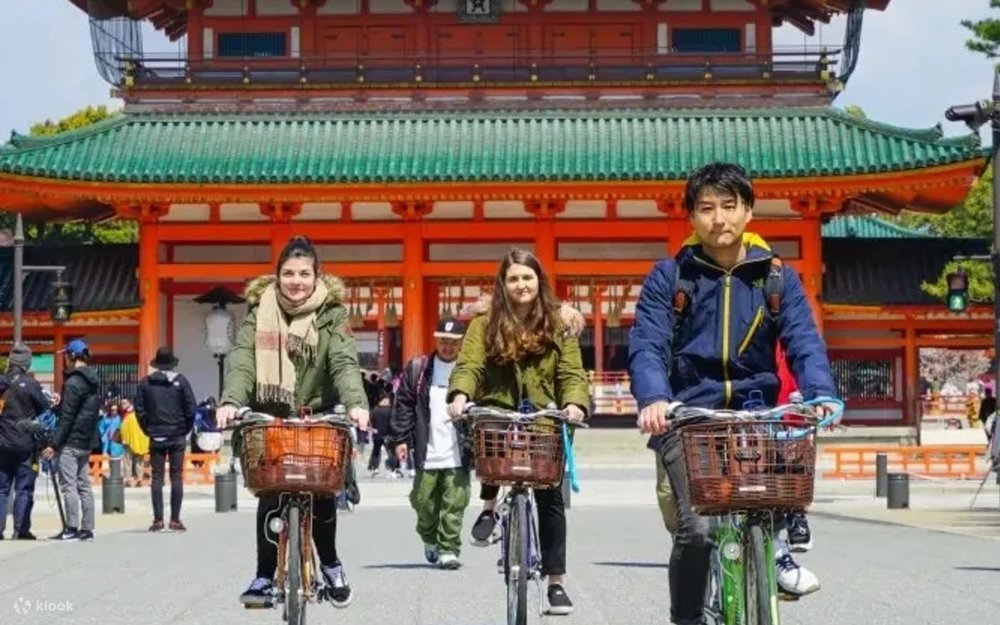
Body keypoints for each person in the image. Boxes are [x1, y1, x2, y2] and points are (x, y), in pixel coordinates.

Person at [628, 162, 840, 625]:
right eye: (706, 208)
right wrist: (653, 399)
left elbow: (803, 339)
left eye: (729, 206)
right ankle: (686, 618)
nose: (718, 218)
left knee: (771, 504)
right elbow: (647, 343)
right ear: (691, 216)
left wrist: (821, 392)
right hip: (687, 415)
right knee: (697, 529)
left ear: (749, 210)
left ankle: (776, 557)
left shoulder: (776, 277)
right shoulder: (670, 277)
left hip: (755, 412)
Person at [214, 235, 371, 609]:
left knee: (322, 491)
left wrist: (355, 403)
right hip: (273, 414)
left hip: (319, 413)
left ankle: (331, 564)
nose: (296, 281)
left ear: (317, 277)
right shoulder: (259, 312)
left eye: (304, 273)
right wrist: (232, 401)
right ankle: (265, 574)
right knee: (271, 493)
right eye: (288, 273)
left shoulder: (332, 314)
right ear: (277, 276)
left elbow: (343, 362)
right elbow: (243, 361)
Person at [447, 248, 590, 616]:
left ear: (538, 281)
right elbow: (471, 364)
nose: (521, 285)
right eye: (513, 278)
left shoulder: (559, 324)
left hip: (544, 414)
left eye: (527, 277)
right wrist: (460, 393)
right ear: (503, 283)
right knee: (490, 432)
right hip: (499, 408)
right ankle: (489, 507)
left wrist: (574, 403)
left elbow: (572, 373)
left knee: (550, 497)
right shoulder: (484, 323)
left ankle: (556, 582)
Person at [390, 317, 472, 570]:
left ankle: (449, 548)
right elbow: (403, 404)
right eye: (443, 341)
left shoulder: (468, 371)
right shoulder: (419, 369)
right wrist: (401, 438)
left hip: (458, 449)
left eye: (453, 343)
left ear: (461, 344)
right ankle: (430, 537)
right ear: (436, 340)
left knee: (455, 502)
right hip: (428, 447)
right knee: (423, 501)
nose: (447, 347)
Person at [43, 339, 102, 542]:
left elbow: (67, 417)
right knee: (84, 485)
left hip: (71, 441)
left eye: (67, 355)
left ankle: (72, 528)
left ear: (73, 357)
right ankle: (87, 529)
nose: (66, 360)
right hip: (86, 441)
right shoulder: (94, 381)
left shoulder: (73, 382)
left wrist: (54, 444)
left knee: (69, 485)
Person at [135, 346, 197, 532]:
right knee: (176, 476)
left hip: (156, 434)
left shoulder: (146, 383)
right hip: (177, 434)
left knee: (157, 477)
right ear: (172, 364)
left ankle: (158, 519)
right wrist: (184, 429)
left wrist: (148, 429)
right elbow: (191, 408)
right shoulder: (181, 381)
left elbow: (139, 410)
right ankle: (175, 519)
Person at [0, 344, 52, 540]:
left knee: (2, 488)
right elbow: (45, 414)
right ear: (27, 364)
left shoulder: (2, 383)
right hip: (25, 444)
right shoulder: (31, 385)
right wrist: (48, 441)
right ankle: (20, 529)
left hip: (2, 443)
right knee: (24, 488)